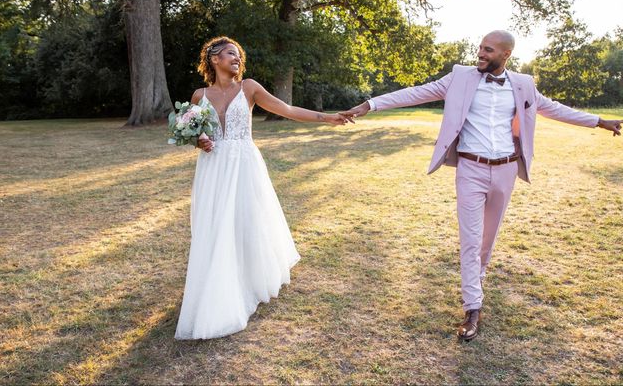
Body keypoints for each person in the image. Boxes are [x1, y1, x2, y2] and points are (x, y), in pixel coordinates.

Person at [340, 30, 622, 341]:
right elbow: (415, 92)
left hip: (506, 170)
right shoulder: (459, 77)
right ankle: (473, 308)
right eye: (480, 48)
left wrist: (598, 120)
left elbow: (553, 108)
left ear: (505, 55)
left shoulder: (524, 84)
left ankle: (478, 278)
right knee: (471, 241)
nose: (481, 54)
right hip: (470, 169)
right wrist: (370, 105)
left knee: (488, 239)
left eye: (488, 50)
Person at [174, 36, 348, 340]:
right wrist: (199, 141)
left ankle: (249, 279)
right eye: (230, 54)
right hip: (214, 168)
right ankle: (217, 283)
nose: (237, 58)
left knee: (246, 220)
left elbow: (288, 110)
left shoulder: (249, 88)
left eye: (239, 55)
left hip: (244, 164)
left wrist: (327, 118)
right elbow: (197, 136)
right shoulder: (199, 95)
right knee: (215, 225)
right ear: (214, 59)